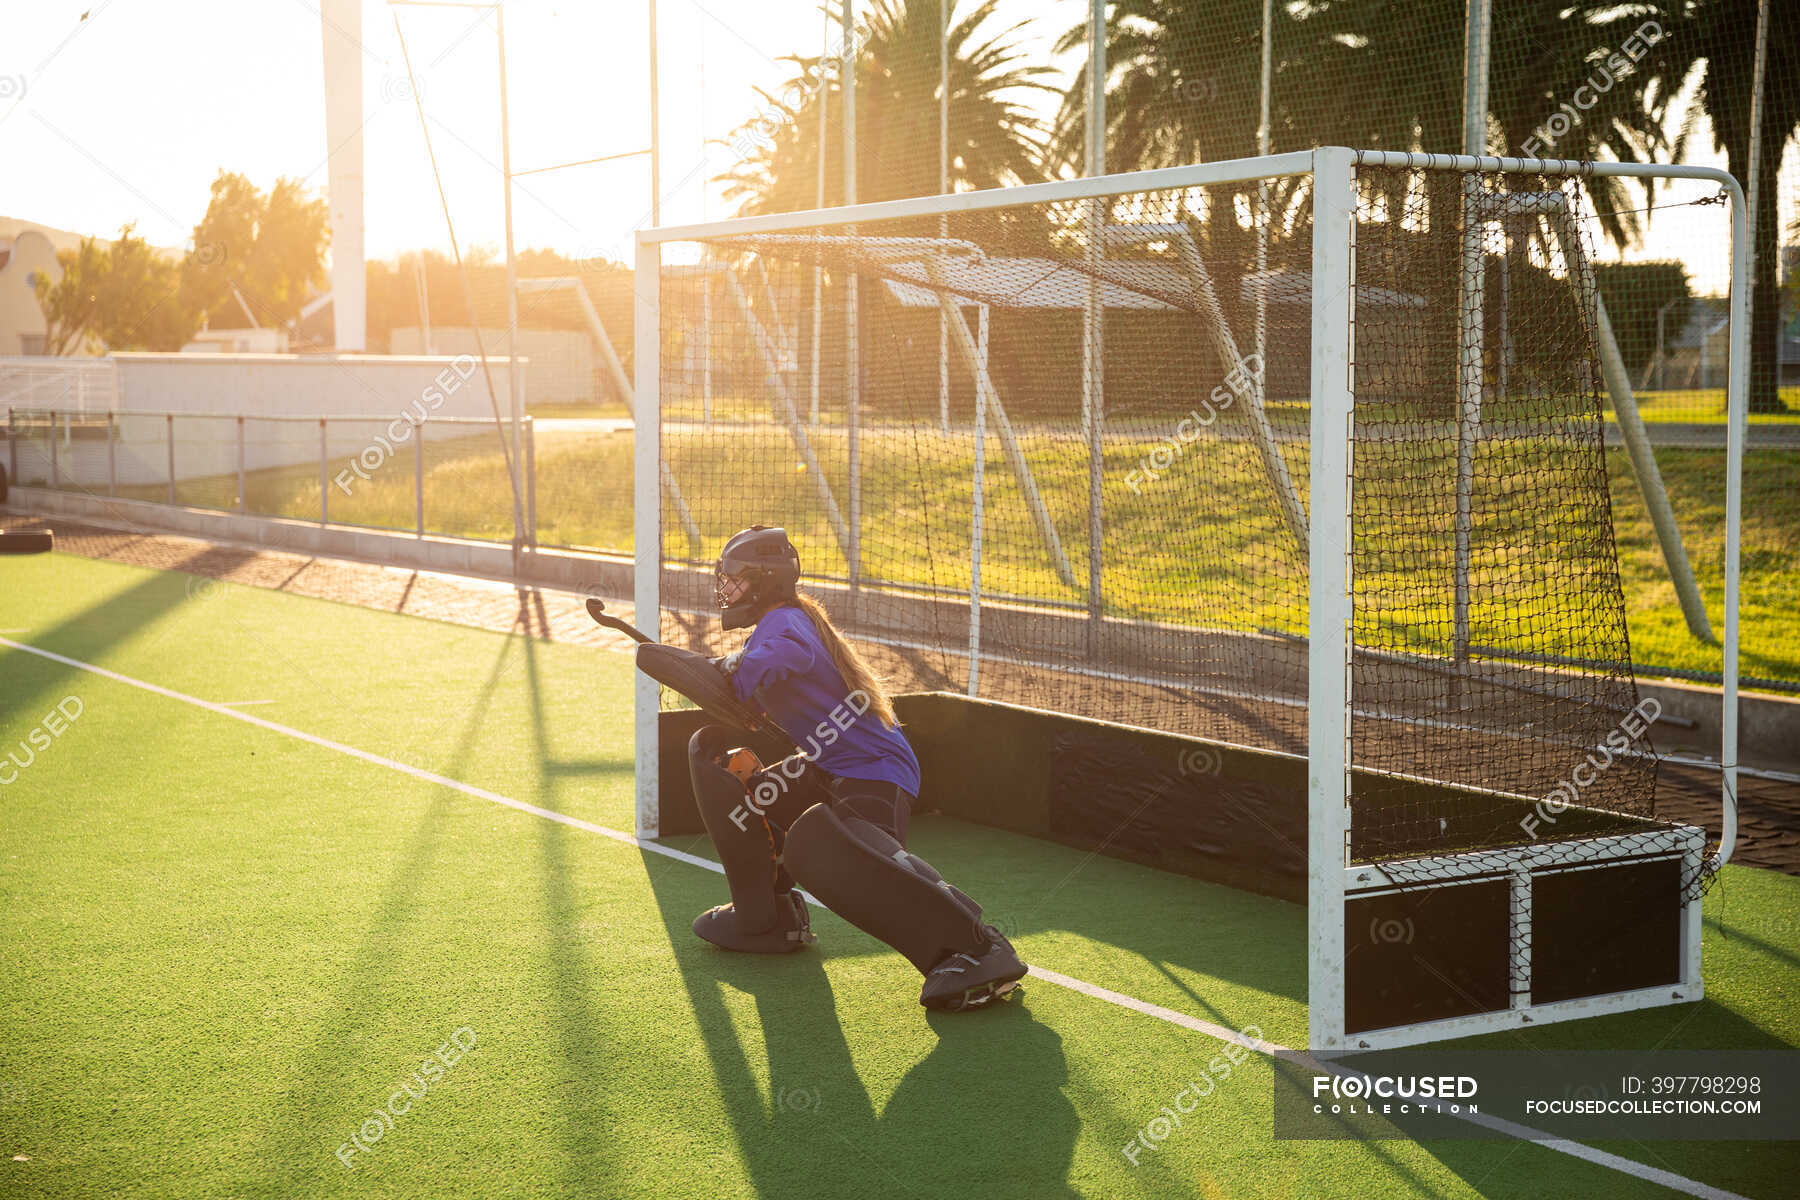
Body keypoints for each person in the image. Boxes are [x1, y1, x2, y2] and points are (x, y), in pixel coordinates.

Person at [685, 524, 1027, 1012]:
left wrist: (728, 667)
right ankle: (769, 917)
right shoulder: (785, 620)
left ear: (764, 581)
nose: (728, 589)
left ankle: (978, 949)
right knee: (742, 789)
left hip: (872, 770)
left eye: (736, 578)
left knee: (854, 865)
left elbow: (780, 657)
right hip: (827, 764)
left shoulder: (782, 624)